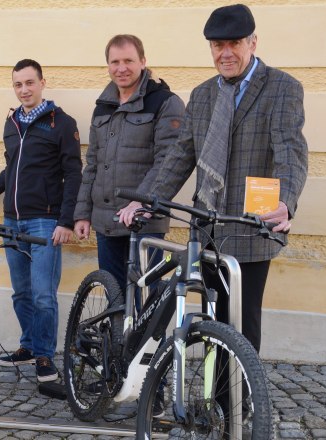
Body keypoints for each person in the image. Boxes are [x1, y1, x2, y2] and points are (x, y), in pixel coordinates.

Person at [150, 4, 308, 353]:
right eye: (217, 45)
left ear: (253, 42)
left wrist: (286, 202)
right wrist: (145, 199)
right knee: (211, 321)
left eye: (233, 43)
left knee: (242, 323)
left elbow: (290, 150)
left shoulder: (281, 88)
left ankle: (243, 404)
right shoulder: (203, 94)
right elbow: (180, 157)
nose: (225, 53)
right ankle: (215, 401)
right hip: (206, 226)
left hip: (250, 224)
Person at [0, 59, 82, 382]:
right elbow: (11, 170)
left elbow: (74, 174)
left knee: (43, 294)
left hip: (46, 223)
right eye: (18, 85)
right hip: (11, 222)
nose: (24, 90)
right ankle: (29, 345)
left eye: (29, 83)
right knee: (21, 293)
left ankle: (45, 355)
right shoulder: (12, 122)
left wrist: (67, 221)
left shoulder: (61, 123)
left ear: (43, 83)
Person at [73, 34, 185, 291]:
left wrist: (142, 200)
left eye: (128, 61)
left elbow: (167, 162)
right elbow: (92, 164)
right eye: (115, 62)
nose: (121, 68)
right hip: (106, 221)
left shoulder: (165, 102)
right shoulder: (102, 107)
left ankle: (150, 335)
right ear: (108, 66)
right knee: (115, 299)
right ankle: (116, 334)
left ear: (143, 61)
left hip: (144, 221)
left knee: (146, 298)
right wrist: (82, 214)